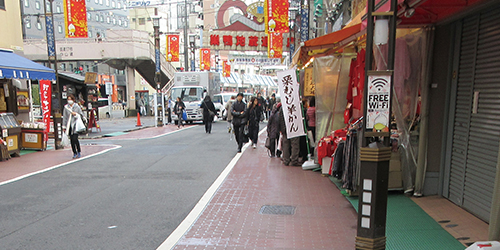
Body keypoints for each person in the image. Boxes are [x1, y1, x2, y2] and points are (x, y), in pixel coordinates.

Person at [62, 94, 85, 159]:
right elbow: (65, 117)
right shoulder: (66, 107)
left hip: (75, 124)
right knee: (71, 140)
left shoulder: (77, 107)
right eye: (68, 99)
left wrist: (76, 114)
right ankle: (74, 152)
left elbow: (81, 114)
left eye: (70, 99)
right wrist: (64, 126)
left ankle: (79, 151)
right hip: (69, 126)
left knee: (75, 139)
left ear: (73, 100)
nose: (69, 101)